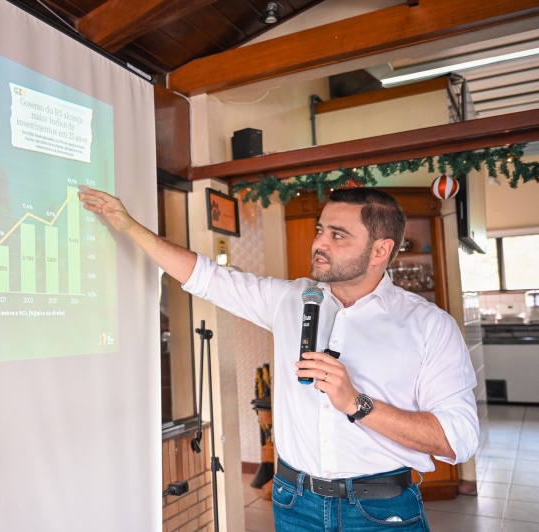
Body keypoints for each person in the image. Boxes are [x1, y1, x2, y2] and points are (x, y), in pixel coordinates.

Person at [78, 186, 479, 531]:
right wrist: (128, 225)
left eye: (338, 235)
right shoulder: (290, 299)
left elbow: (456, 440)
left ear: (381, 249)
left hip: (379, 510)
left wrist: (357, 404)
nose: (319, 243)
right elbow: (204, 276)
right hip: (293, 505)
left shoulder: (430, 326)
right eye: (321, 229)